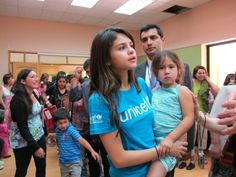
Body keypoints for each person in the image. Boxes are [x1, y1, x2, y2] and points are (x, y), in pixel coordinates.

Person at [88, 27, 187, 177]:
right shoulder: (100, 99)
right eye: (122, 47)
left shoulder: (140, 84)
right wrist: (165, 150)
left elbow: (164, 115)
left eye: (131, 45)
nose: (131, 51)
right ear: (106, 59)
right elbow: (119, 159)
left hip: (159, 166)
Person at [136, 23, 195, 172]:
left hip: (173, 142)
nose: (149, 42)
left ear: (162, 39)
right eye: (144, 39)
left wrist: (188, 145)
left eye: (153, 37)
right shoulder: (134, 72)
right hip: (145, 142)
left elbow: (188, 114)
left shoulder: (183, 74)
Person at [146, 50, 194, 177]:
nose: (166, 71)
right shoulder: (154, 91)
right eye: (161, 68)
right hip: (151, 144)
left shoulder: (182, 90)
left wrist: (170, 139)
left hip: (170, 145)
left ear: (179, 70)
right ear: (156, 72)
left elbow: (189, 118)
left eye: (171, 67)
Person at [9, 68, 46, 177]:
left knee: (41, 167)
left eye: (36, 76)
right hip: (23, 140)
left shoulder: (34, 92)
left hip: (38, 135)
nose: (36, 79)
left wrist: (45, 133)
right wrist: (36, 147)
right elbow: (23, 127)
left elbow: (37, 116)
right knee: (22, 170)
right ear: (23, 81)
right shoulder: (18, 100)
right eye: (32, 77)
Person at [49, 107, 100, 177]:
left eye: (65, 122)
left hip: (75, 162)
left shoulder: (71, 130)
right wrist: (51, 136)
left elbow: (82, 140)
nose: (63, 125)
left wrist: (92, 151)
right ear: (56, 123)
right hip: (63, 162)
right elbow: (58, 138)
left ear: (68, 120)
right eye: (60, 123)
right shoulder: (58, 130)